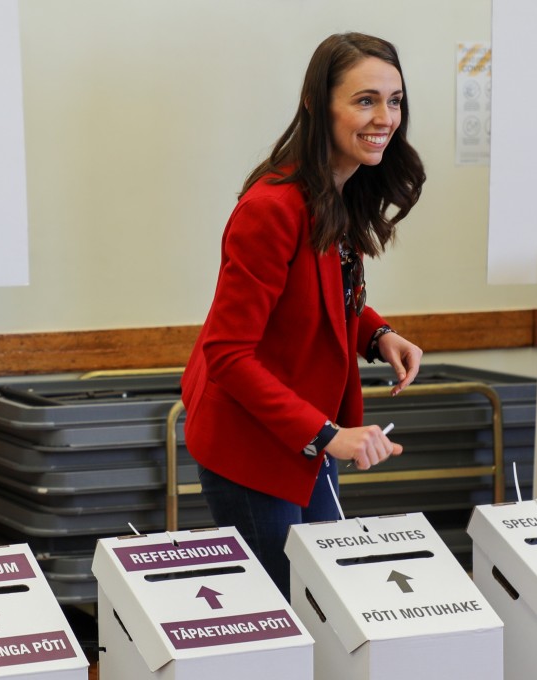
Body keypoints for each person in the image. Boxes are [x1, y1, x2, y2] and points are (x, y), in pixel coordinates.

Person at [180, 32, 426, 596]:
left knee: (325, 605)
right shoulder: (271, 208)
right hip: (255, 446)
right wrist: (326, 434)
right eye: (365, 100)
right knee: (293, 612)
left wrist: (377, 334)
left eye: (394, 100)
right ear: (317, 103)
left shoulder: (338, 189)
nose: (384, 116)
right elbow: (227, 354)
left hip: (309, 440)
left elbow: (318, 296)